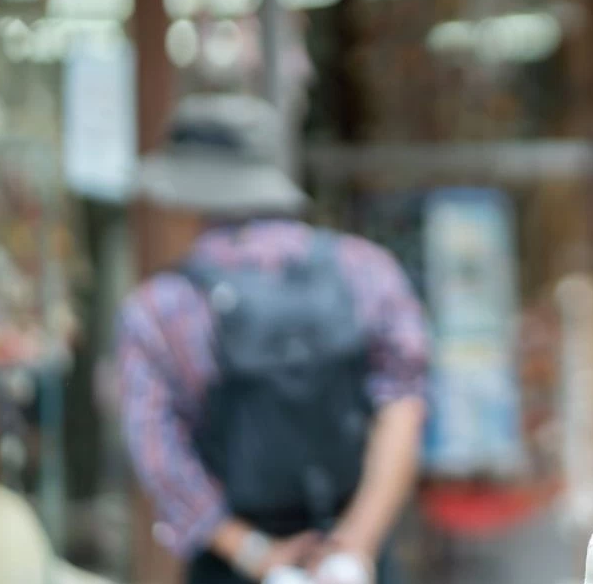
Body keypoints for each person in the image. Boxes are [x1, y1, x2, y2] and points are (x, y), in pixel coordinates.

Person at [116, 93, 430, 584]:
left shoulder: (162, 307)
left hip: (236, 566)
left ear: (184, 196)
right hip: (357, 560)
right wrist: (356, 546)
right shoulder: (366, 270)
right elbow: (403, 407)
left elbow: (158, 456)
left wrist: (254, 553)